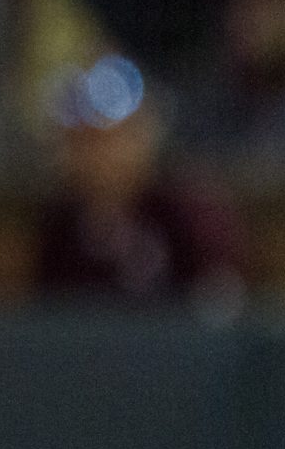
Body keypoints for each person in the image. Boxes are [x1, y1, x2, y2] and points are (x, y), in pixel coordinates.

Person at [33, 55, 247, 299]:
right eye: (84, 142)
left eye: (113, 140)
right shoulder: (60, 226)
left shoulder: (188, 214)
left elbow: (218, 308)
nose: (100, 157)